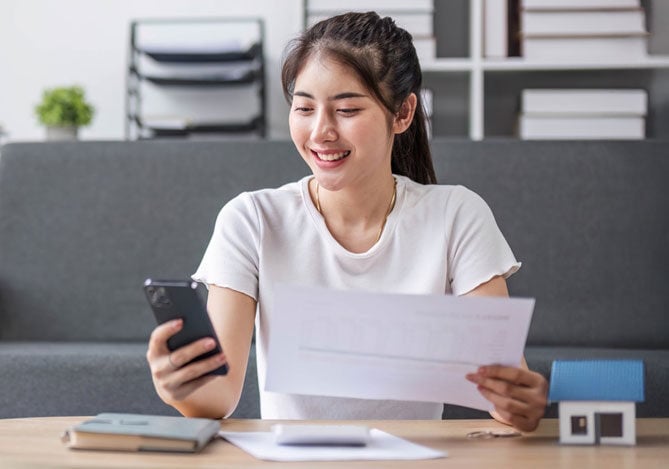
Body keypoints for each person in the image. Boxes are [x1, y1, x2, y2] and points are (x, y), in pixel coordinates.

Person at [146, 11, 548, 432]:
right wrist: (180, 385)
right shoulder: (251, 220)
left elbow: (505, 390)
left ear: (403, 113)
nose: (320, 131)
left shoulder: (456, 215)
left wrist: (524, 401)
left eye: (347, 109)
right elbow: (218, 398)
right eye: (304, 107)